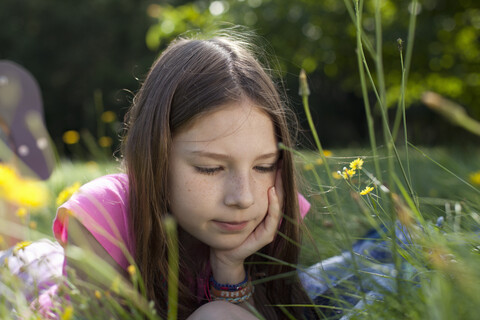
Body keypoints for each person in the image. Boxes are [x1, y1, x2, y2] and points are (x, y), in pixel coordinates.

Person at [52, 34, 314, 319]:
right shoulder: (104, 215)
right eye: (209, 168)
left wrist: (229, 269)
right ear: (156, 155)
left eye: (263, 167)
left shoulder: (274, 210)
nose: (243, 198)